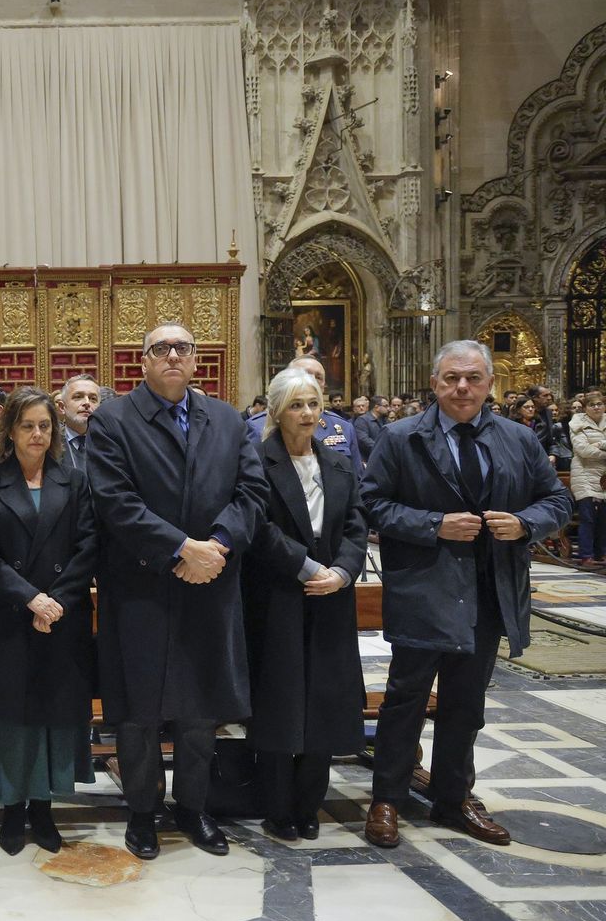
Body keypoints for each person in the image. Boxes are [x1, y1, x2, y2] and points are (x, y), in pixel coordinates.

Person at [360, 340, 572, 850]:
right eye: (452, 378)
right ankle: (387, 797)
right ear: (435, 384)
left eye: (473, 378)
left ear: (489, 384)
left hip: (488, 591)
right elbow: (371, 504)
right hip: (425, 587)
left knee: (465, 702)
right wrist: (434, 524)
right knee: (406, 699)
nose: (462, 387)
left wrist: (524, 523)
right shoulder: (401, 436)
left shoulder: (517, 440)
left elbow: (557, 499)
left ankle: (453, 797)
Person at [86, 324, 268, 860]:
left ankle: (193, 807)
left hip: (211, 583)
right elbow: (113, 500)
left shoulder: (229, 420)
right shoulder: (113, 419)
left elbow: (252, 491)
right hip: (142, 584)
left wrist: (216, 546)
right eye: (160, 349)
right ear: (142, 361)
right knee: (139, 710)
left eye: (182, 348)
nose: (172, 355)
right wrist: (179, 548)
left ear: (196, 362)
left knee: (199, 708)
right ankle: (142, 812)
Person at [0, 388, 96, 855]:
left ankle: (45, 809)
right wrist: (31, 599)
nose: (37, 434)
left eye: (44, 426)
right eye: (27, 426)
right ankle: (12, 810)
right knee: (12, 720)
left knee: (54, 717)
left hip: (62, 617)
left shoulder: (74, 480)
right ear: (10, 431)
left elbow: (88, 547)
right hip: (10, 616)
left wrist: (55, 601)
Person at [242, 368, 367, 841]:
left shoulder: (336, 462)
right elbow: (256, 526)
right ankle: (277, 806)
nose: (308, 414)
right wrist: (306, 566)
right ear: (276, 410)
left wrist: (341, 572)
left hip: (332, 596)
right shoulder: (256, 459)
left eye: (314, 403)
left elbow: (356, 524)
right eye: (297, 405)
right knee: (280, 701)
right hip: (279, 593)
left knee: (325, 701)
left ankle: (309, 803)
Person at [246, 357, 362, 472]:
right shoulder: (257, 426)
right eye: (304, 375)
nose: (311, 381)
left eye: (318, 377)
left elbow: (356, 480)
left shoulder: (342, 426)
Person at [571, 393, 605, 565]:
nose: (597, 407)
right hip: (584, 474)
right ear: (585, 408)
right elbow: (583, 450)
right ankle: (586, 555)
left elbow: (592, 448)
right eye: (592, 405)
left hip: (603, 476)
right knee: (588, 517)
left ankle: (602, 553)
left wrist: (599, 444)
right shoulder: (577, 423)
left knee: (603, 519)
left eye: (600, 404)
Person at [59, 374, 101, 471]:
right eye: (78, 397)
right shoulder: (50, 443)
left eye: (93, 399)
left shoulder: (110, 443)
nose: (87, 403)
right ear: (62, 407)